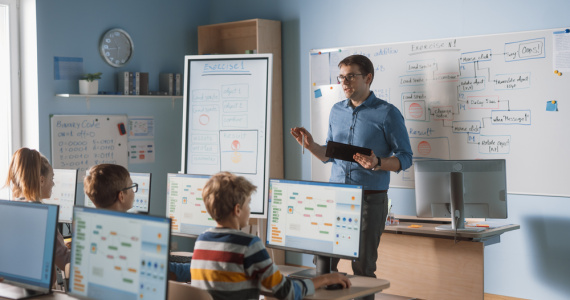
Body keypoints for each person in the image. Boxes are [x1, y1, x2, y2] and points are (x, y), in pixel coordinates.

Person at [291, 55, 413, 291]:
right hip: (335, 197)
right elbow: (330, 154)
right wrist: (311, 146)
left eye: (350, 76)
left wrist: (377, 162)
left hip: (370, 199)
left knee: (363, 268)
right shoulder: (336, 111)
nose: (344, 82)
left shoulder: (388, 113)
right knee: (323, 265)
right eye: (341, 77)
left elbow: (406, 158)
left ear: (368, 78)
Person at [191, 172, 351, 300]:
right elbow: (287, 292)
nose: (250, 209)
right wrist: (325, 279)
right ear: (237, 210)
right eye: (248, 203)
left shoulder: (202, 240)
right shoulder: (248, 245)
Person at [83, 163, 189, 282]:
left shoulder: (87, 230)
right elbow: (169, 272)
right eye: (131, 187)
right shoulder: (132, 233)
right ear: (121, 196)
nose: (134, 192)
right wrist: (202, 267)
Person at [3, 147, 70, 271]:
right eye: (52, 178)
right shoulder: (42, 216)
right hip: (37, 290)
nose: (53, 184)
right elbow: (65, 261)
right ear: (42, 180)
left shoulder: (8, 211)